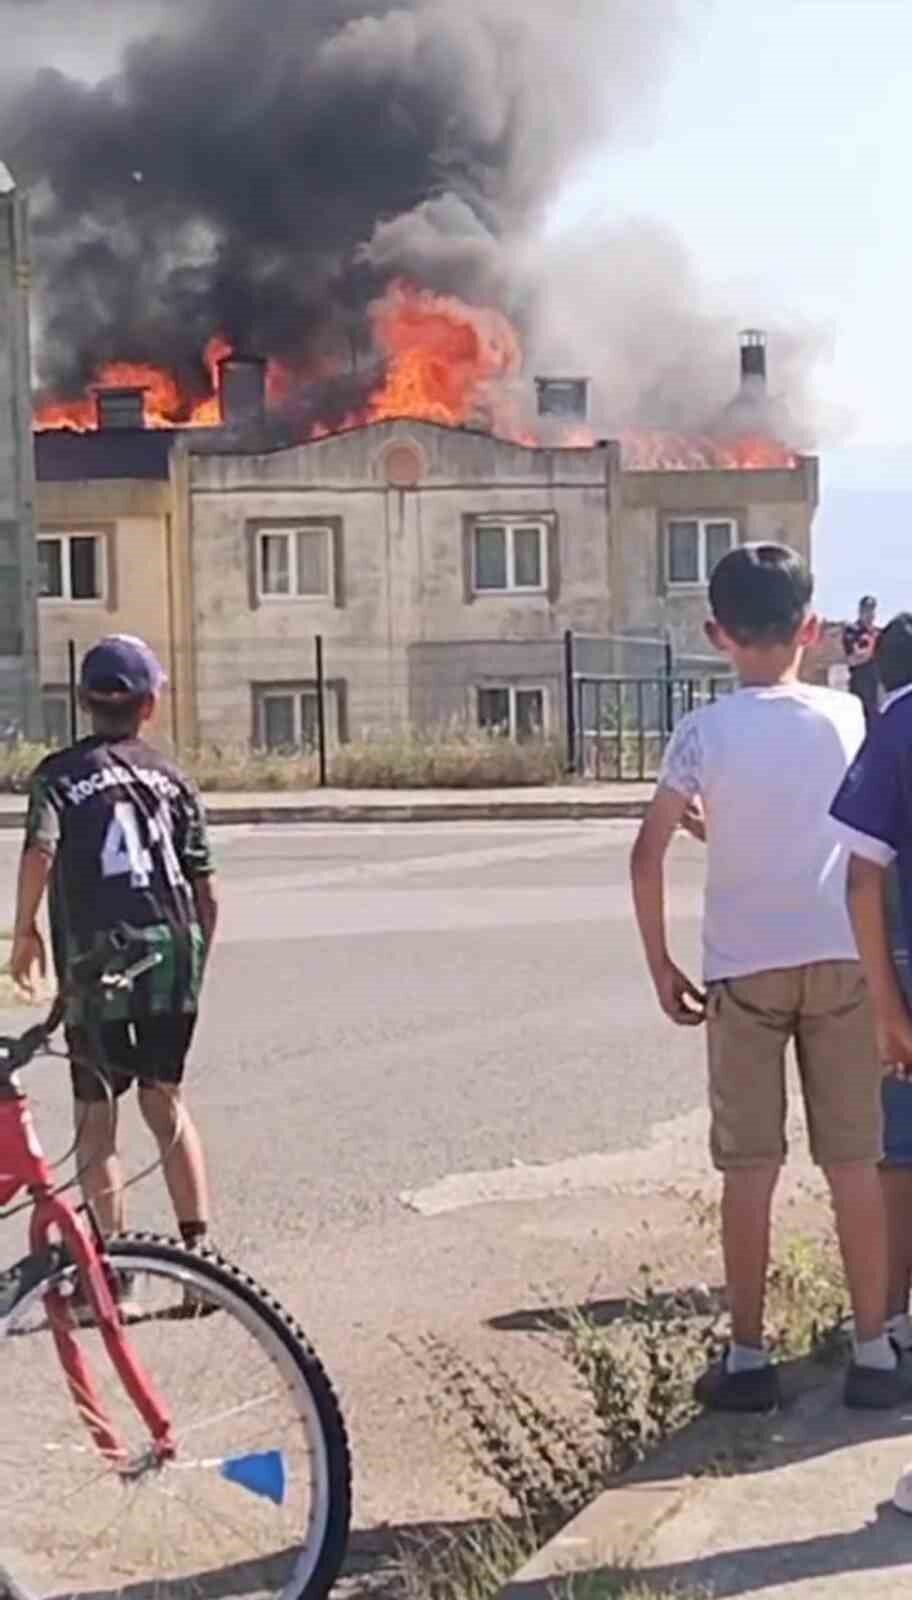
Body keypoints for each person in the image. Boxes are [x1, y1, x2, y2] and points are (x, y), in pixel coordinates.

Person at [631, 544, 904, 1412]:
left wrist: (661, 964)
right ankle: (874, 1351)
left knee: (749, 1169)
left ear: (717, 633)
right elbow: (857, 832)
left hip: (742, 974)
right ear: (811, 630)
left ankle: (748, 1357)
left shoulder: (703, 732)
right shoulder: (848, 719)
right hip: (842, 964)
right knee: (853, 1161)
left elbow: (646, 856)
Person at [10, 635, 217, 1288]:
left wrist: (24, 930)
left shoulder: (59, 776)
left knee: (97, 1120)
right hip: (171, 950)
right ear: (149, 705)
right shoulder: (173, 778)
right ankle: (200, 1261)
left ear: (83, 702)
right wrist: (192, 961)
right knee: (166, 1102)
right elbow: (206, 887)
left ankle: (113, 1277)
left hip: (99, 959)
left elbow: (40, 851)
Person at [831, 612, 912, 1354]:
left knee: (901, 1146)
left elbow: (860, 879)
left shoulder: (895, 730)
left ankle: (891, 1314)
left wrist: (884, 1002)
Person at [843, 595, 880, 725]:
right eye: (866, 610)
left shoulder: (876, 633)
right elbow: (852, 659)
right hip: (859, 686)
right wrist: (872, 650)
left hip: (874, 688)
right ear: (860, 611)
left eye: (872, 610)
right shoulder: (852, 631)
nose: (870, 614)